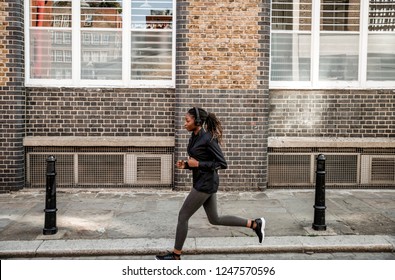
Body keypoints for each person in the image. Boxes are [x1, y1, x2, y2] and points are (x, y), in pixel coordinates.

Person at [155, 107, 265, 260]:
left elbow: (222, 163)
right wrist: (186, 165)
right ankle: (255, 224)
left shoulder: (208, 138)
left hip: (205, 184)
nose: (184, 124)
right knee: (215, 219)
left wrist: (198, 164)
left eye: (187, 120)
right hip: (202, 181)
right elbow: (197, 160)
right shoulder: (194, 136)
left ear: (197, 121)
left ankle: (175, 255)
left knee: (182, 216)